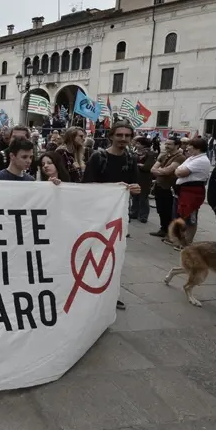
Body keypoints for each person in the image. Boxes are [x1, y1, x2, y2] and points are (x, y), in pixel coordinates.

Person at [82, 121, 141, 310]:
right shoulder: (98, 157)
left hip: (119, 216)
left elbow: (136, 185)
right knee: (92, 254)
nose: (123, 139)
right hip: (97, 216)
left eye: (127, 136)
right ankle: (88, 290)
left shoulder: (131, 159)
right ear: (111, 136)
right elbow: (87, 186)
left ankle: (110, 293)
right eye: (119, 135)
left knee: (114, 256)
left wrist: (135, 189)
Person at [173, 137, 212, 247]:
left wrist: (178, 171)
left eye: (189, 145)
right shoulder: (192, 158)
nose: (187, 147)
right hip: (183, 191)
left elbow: (181, 172)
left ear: (197, 148)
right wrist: (178, 171)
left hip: (192, 192)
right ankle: (181, 240)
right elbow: (178, 169)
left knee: (190, 218)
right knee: (181, 215)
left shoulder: (201, 160)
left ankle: (187, 243)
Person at [150, 137, 186, 241]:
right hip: (159, 186)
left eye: (169, 144)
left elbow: (168, 171)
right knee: (160, 209)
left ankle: (171, 232)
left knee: (168, 210)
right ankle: (163, 229)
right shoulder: (164, 155)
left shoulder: (180, 157)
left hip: (170, 188)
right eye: (166, 144)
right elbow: (153, 169)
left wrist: (160, 170)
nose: (166, 146)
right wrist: (161, 170)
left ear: (177, 146)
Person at [131, 136, 157, 223]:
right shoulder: (135, 152)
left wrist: (138, 165)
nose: (136, 144)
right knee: (135, 196)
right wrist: (139, 164)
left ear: (143, 145)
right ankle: (134, 212)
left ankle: (143, 216)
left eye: (138, 143)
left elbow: (147, 167)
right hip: (135, 176)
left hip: (145, 178)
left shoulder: (150, 153)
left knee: (143, 197)